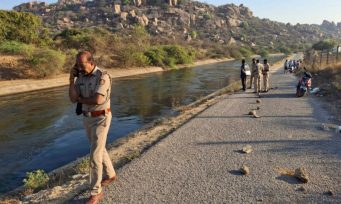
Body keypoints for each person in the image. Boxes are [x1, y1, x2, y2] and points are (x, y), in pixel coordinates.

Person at [69, 51, 116, 204]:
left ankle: (96, 192)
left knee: (94, 154)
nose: (80, 68)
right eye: (77, 66)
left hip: (102, 118)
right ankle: (111, 174)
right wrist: (71, 79)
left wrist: (80, 99)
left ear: (91, 62)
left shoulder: (103, 76)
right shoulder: (79, 77)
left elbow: (97, 99)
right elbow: (72, 98)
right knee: (99, 148)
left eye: (82, 65)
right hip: (87, 118)